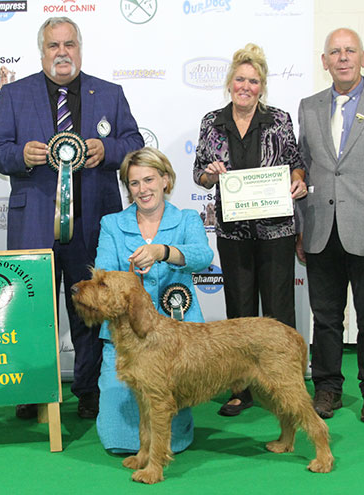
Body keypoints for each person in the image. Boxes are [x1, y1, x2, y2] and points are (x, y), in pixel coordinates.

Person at [0, 17, 144, 419]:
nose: (62, 53)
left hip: (92, 222)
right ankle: (32, 389)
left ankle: (89, 391)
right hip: (33, 223)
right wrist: (21, 156)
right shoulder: (15, 94)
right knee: (31, 309)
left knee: (90, 308)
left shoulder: (109, 93)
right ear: (42, 52)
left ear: (79, 49)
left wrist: (105, 150)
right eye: (54, 46)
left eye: (69, 45)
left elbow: (134, 143)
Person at [193, 43, 307, 417]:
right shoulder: (212, 122)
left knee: (277, 311)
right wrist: (210, 173)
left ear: (262, 86)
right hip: (233, 233)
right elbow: (200, 174)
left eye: (253, 81)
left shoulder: (279, 119)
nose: (246, 86)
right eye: (240, 79)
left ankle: (283, 387)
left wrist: (298, 180)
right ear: (230, 82)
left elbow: (296, 163)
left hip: (277, 231)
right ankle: (241, 389)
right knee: (239, 314)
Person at [94, 147, 213, 452]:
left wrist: (164, 252)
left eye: (149, 180)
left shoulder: (186, 219)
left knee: (171, 436)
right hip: (127, 338)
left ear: (165, 180)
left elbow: (203, 256)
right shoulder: (112, 224)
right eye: (134, 183)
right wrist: (125, 275)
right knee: (117, 440)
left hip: (177, 340)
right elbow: (103, 272)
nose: (142, 189)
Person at [297, 28, 364, 423]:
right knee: (325, 318)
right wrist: (299, 225)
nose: (343, 57)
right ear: (324, 61)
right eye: (334, 52)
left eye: (350, 51)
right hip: (320, 227)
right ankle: (327, 388)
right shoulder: (308, 106)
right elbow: (303, 166)